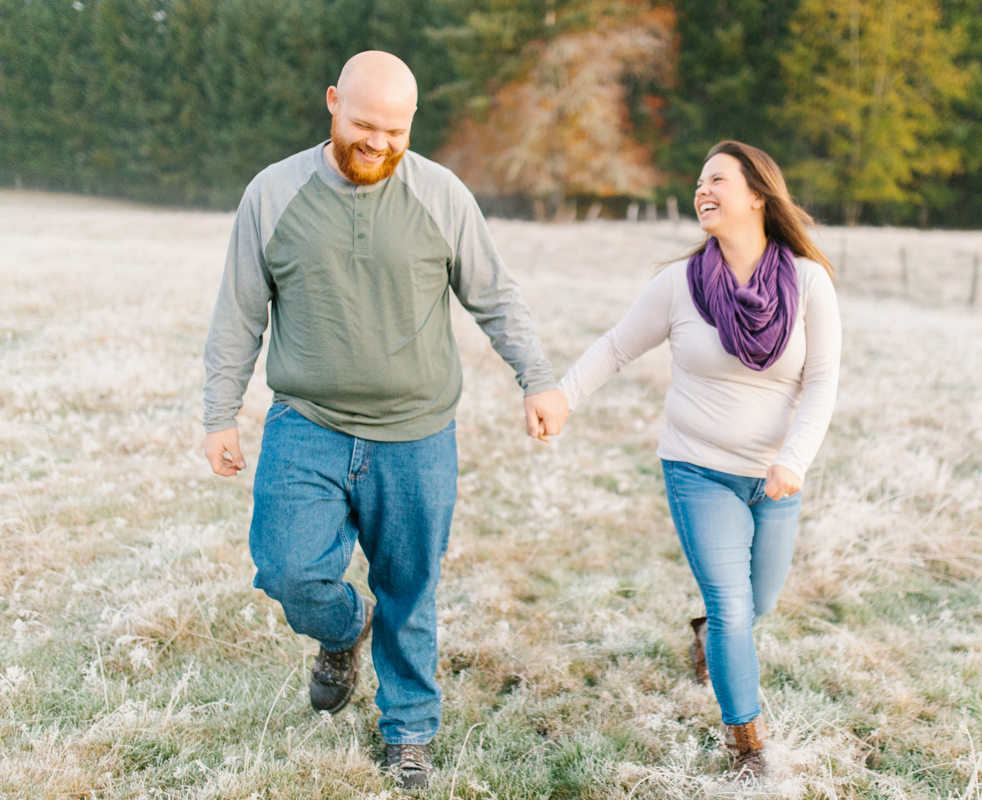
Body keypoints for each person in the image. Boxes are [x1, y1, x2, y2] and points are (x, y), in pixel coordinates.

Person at [201, 51, 568, 788]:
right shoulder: (273, 194)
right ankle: (342, 630)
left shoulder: (441, 194)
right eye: (364, 124)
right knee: (288, 570)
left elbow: (495, 295)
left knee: (410, 588)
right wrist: (219, 413)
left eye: (395, 131)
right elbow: (239, 311)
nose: (378, 143)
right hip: (308, 425)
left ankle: (408, 731)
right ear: (333, 103)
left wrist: (539, 380)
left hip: (417, 435)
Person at [554, 141, 841, 780]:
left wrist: (793, 460)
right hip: (697, 470)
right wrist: (563, 395)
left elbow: (821, 381)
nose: (701, 190)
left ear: (758, 195)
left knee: (755, 603)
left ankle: (706, 633)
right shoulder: (680, 284)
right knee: (734, 607)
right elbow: (615, 347)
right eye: (698, 181)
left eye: (717, 179)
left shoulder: (808, 281)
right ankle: (749, 747)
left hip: (775, 479)